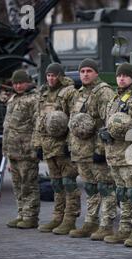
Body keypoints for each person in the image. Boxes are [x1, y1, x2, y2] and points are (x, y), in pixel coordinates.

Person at [99, 63, 132, 247]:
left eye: (125, 75)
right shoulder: (114, 98)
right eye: (119, 75)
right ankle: (125, 229)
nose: (121, 78)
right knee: (123, 194)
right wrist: (105, 133)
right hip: (114, 154)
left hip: (131, 154)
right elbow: (110, 122)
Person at [67, 58, 117, 239]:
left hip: (96, 151)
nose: (85, 74)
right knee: (90, 188)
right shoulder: (79, 93)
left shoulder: (103, 92)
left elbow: (107, 122)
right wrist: (70, 146)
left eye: (89, 71)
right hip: (81, 151)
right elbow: (74, 122)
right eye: (82, 71)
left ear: (96, 73)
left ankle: (106, 225)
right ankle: (90, 222)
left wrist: (100, 150)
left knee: (105, 187)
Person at [32, 63, 81, 234]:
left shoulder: (69, 93)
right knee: (56, 184)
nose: (51, 79)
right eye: (48, 75)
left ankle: (70, 219)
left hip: (63, 147)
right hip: (48, 147)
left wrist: (70, 144)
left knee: (68, 183)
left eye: (54, 75)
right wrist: (37, 144)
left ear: (60, 76)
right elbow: (39, 120)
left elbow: (75, 120)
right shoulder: (43, 93)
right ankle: (57, 217)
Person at [4, 69, 40, 229]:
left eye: (21, 82)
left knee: (29, 185)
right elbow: (7, 127)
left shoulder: (33, 100)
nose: (18, 86)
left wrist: (35, 148)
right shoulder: (12, 99)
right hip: (13, 151)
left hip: (27, 151)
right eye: (15, 83)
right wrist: (6, 153)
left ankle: (30, 216)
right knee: (17, 185)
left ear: (28, 82)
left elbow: (37, 126)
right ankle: (21, 214)